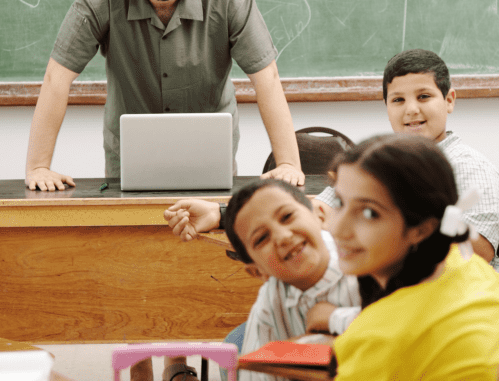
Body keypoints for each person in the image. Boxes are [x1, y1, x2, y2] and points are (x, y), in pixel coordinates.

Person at [25, 0, 304, 193]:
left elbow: (267, 79)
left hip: (210, 154)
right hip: (128, 158)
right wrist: (38, 167)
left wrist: (287, 163)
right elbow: (56, 79)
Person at [329, 134, 499, 379]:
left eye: (369, 213)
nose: (337, 228)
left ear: (421, 229)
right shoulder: (464, 261)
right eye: (339, 202)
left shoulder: (378, 338)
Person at [313, 49, 499, 270]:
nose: (411, 109)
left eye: (423, 96)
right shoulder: (377, 164)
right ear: (387, 106)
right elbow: (320, 209)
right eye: (398, 100)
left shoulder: (470, 166)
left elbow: (479, 251)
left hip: (455, 295)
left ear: (449, 100)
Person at [210, 179, 361, 381]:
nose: (283, 236)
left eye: (287, 216)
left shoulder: (365, 264)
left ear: (320, 216)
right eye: (262, 238)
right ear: (257, 271)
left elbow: (402, 331)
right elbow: (257, 375)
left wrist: (335, 318)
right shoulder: (269, 302)